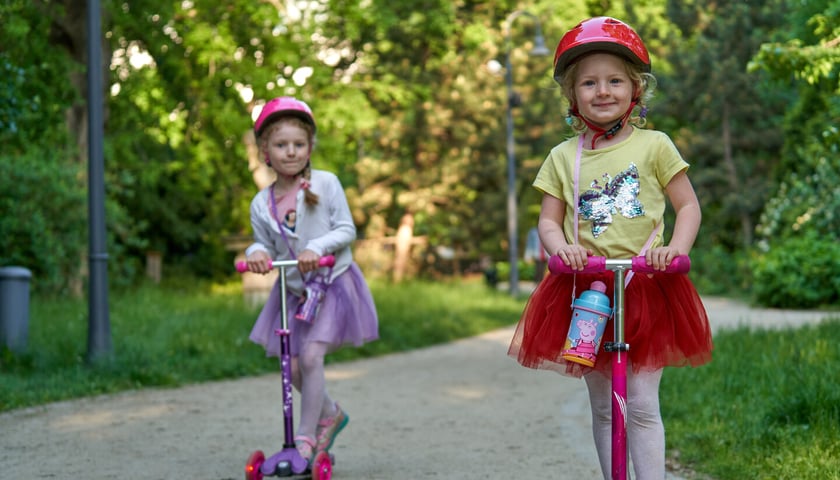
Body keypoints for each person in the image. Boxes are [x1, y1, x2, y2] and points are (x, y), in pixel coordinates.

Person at [507, 17, 713, 480]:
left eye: (615, 80)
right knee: (603, 406)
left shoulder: (655, 145)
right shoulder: (563, 156)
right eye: (589, 83)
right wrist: (562, 249)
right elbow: (548, 220)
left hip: (646, 285)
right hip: (587, 292)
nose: (603, 91)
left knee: (640, 403)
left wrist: (674, 250)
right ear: (572, 95)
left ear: (635, 88)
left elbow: (689, 206)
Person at [244, 96, 379, 464]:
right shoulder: (262, 202)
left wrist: (316, 248)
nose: (291, 152)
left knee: (312, 355)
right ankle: (331, 413)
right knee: (292, 365)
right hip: (294, 291)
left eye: (298, 144)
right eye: (281, 145)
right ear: (265, 151)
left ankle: (304, 438)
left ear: (310, 147)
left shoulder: (326, 183)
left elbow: (346, 229)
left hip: (331, 284)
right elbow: (264, 241)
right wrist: (255, 253)